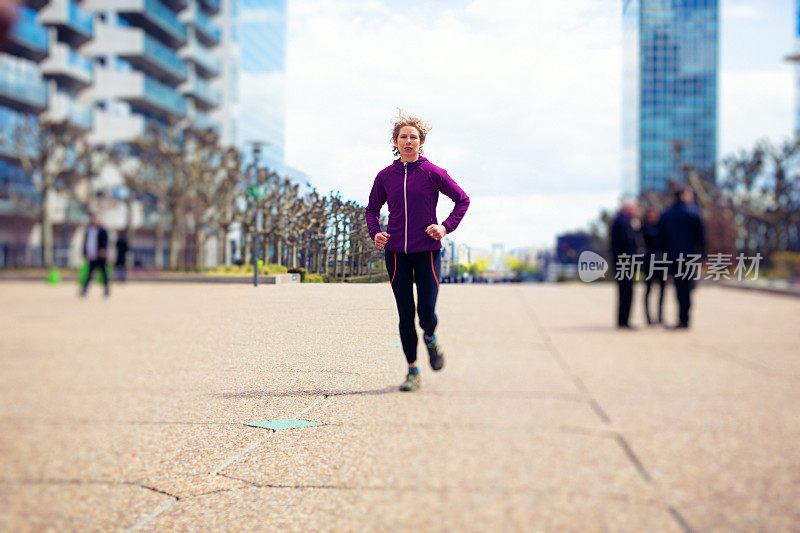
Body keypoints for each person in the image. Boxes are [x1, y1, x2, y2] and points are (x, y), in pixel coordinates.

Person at [365, 112, 470, 392]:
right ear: (396, 142)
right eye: (403, 137)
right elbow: (371, 209)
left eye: (413, 137)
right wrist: (375, 232)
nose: (408, 141)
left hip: (427, 252)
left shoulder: (433, 172)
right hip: (397, 253)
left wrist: (445, 227)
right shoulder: (385, 176)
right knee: (405, 313)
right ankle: (413, 370)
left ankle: (432, 339)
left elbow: (462, 200)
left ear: (421, 142)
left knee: (426, 312)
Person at [659, 186, 705, 329]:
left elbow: (662, 238)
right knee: (688, 286)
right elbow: (700, 237)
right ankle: (685, 318)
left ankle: (682, 318)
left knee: (679, 287)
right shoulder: (693, 212)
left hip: (673, 256)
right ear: (683, 195)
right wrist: (703, 256)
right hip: (690, 256)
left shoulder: (667, 214)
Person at [610, 198, 639, 329]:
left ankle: (624, 320)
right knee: (626, 292)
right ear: (628, 208)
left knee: (626, 292)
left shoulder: (623, 221)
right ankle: (623, 321)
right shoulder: (623, 222)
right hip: (625, 262)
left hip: (623, 262)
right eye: (635, 208)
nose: (637, 210)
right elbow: (626, 244)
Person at [641, 207, 665, 325]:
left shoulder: (662, 228)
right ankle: (648, 317)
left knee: (662, 290)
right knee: (648, 290)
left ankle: (660, 316)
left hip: (662, 262)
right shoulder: (643, 228)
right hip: (649, 263)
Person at [81, 214, 109, 297]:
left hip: (100, 256)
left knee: (104, 274)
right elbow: (86, 242)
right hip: (92, 256)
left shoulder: (102, 230)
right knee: (89, 274)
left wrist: (103, 250)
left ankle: (106, 290)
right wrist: (85, 252)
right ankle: (84, 290)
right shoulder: (89, 230)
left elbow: (105, 242)